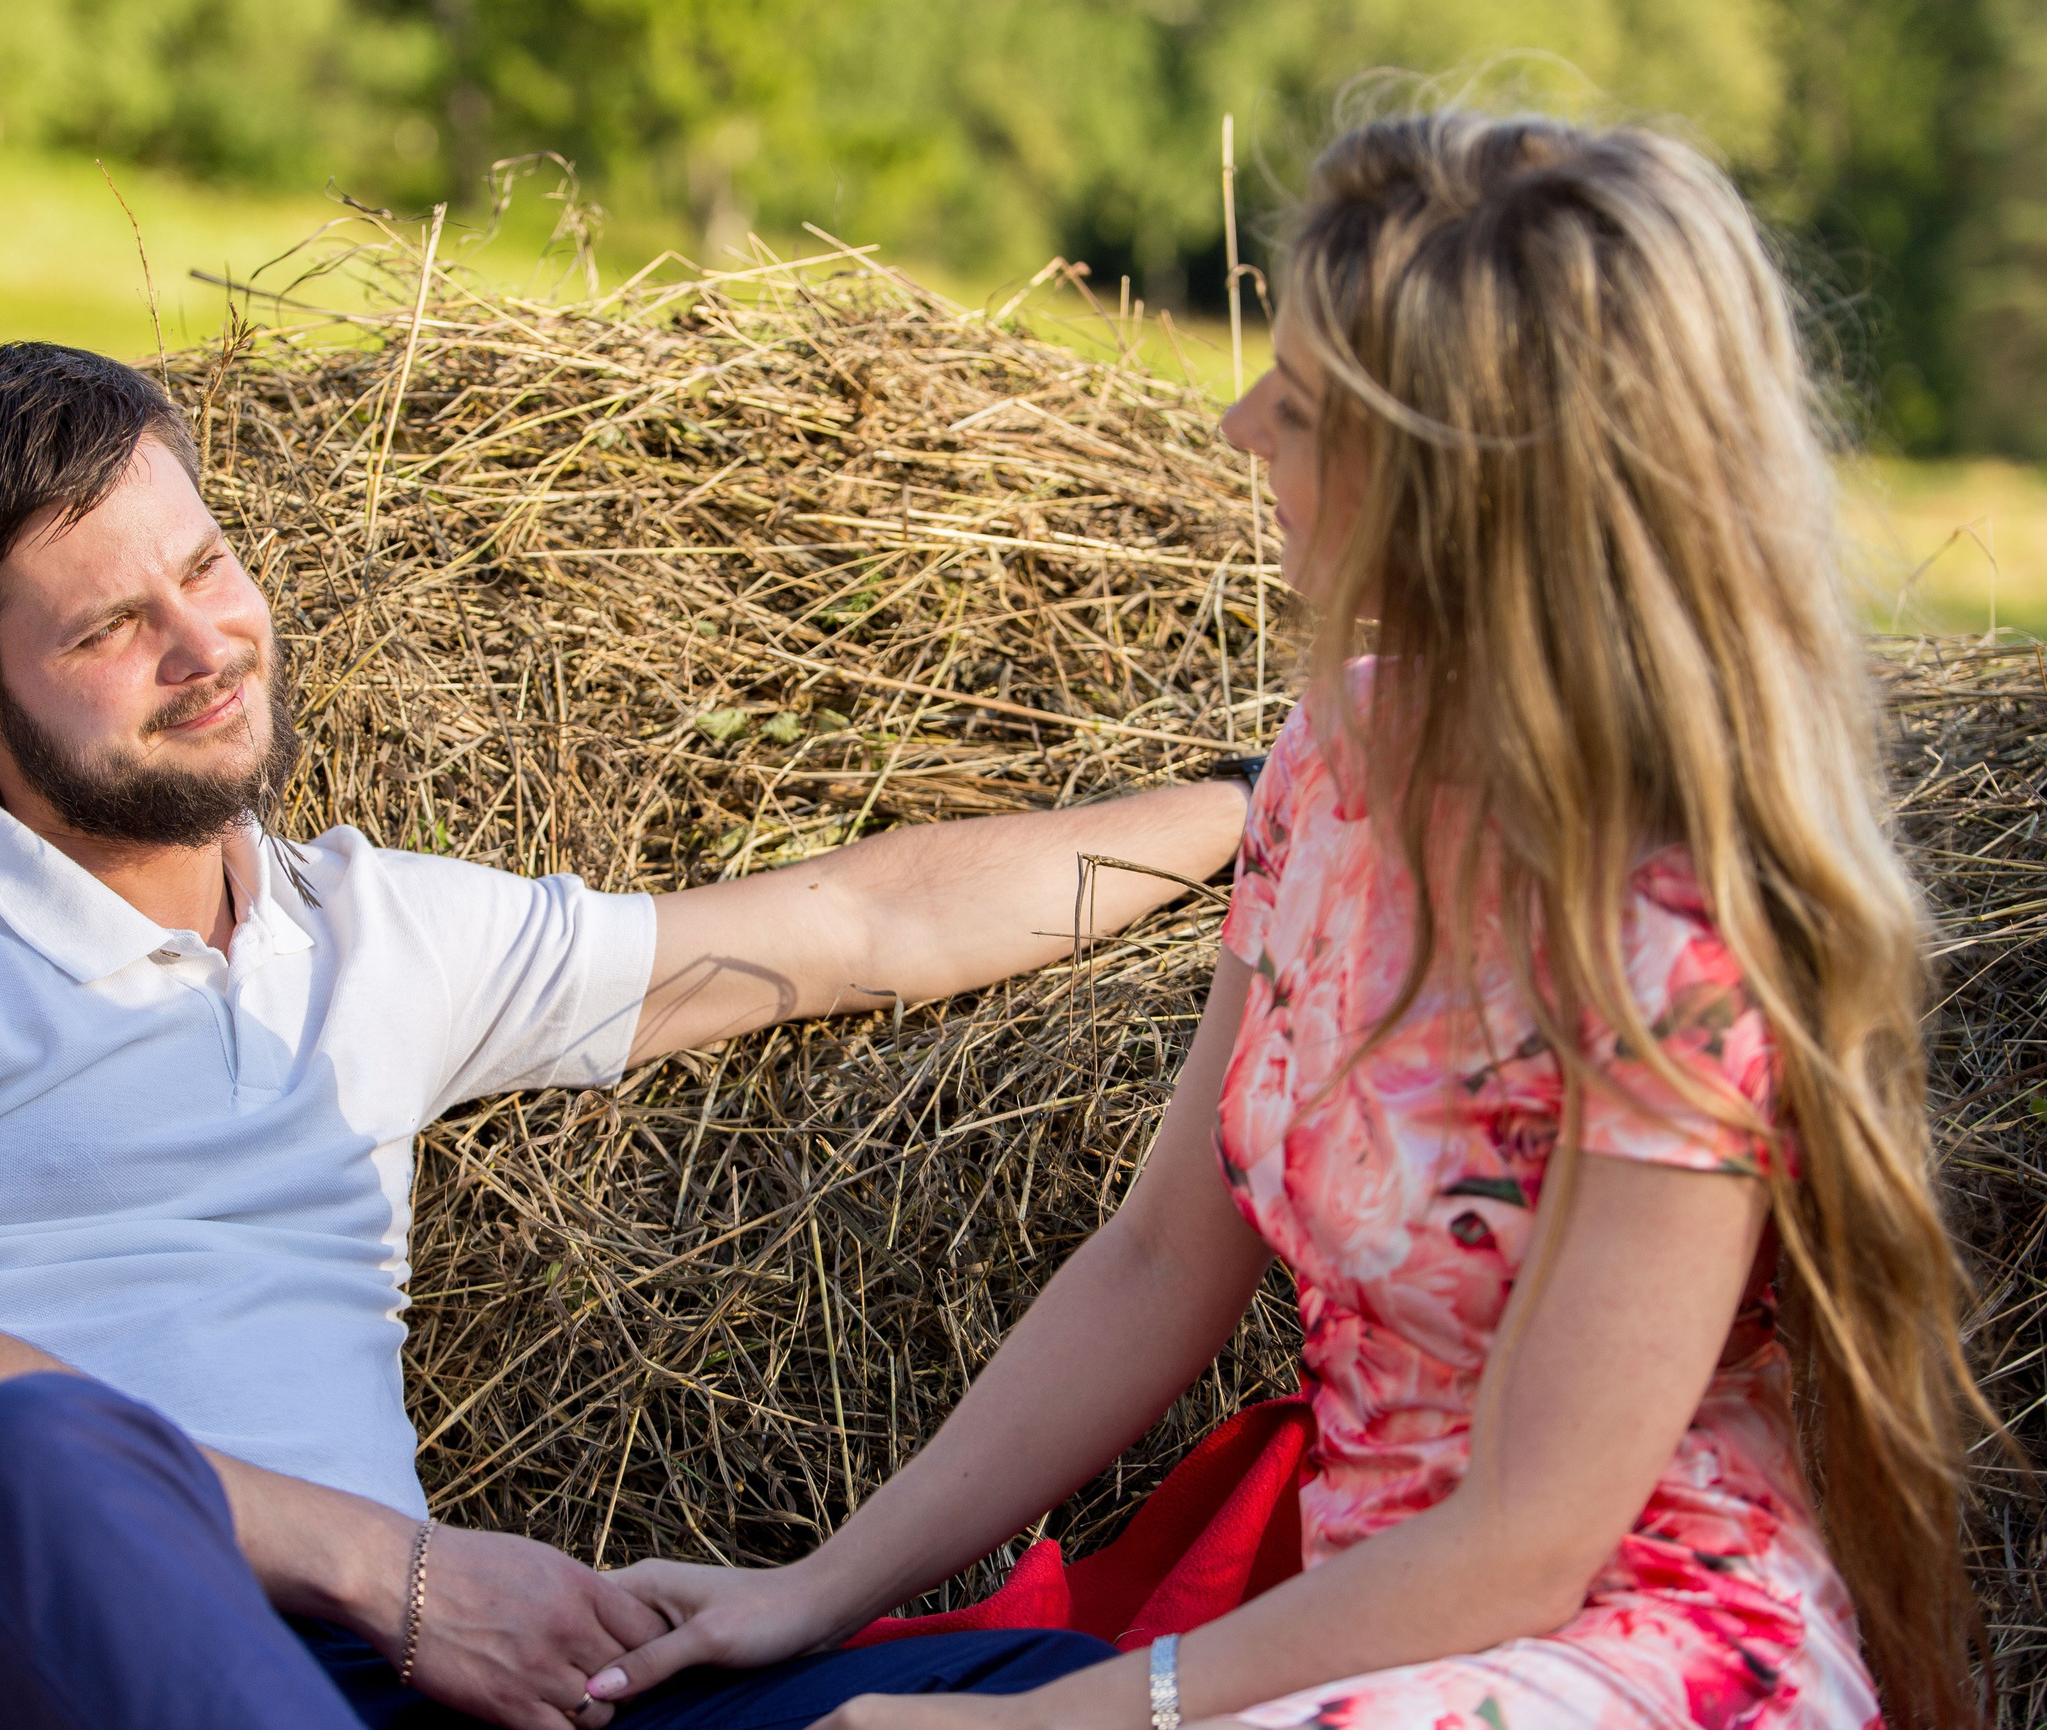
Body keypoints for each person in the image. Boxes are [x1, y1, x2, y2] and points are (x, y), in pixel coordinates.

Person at [593, 112, 1997, 1730]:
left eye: (1308, 402)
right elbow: (1157, 1259)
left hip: (1623, 1653)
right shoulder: (1336, 765)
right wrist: (819, 1590)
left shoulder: (1678, 932)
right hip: (1364, 1634)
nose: (1240, 420)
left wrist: (1043, 1725)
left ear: (1470, 491)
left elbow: (1531, 1545)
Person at [0, 341, 1250, 1728]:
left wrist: (1278, 794)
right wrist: (403, 1570)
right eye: (105, 631)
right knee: (50, 1455)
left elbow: (856, 929)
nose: (202, 644)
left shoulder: (378, 934)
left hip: (350, 1679)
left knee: (1042, 1707)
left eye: (207, 566)